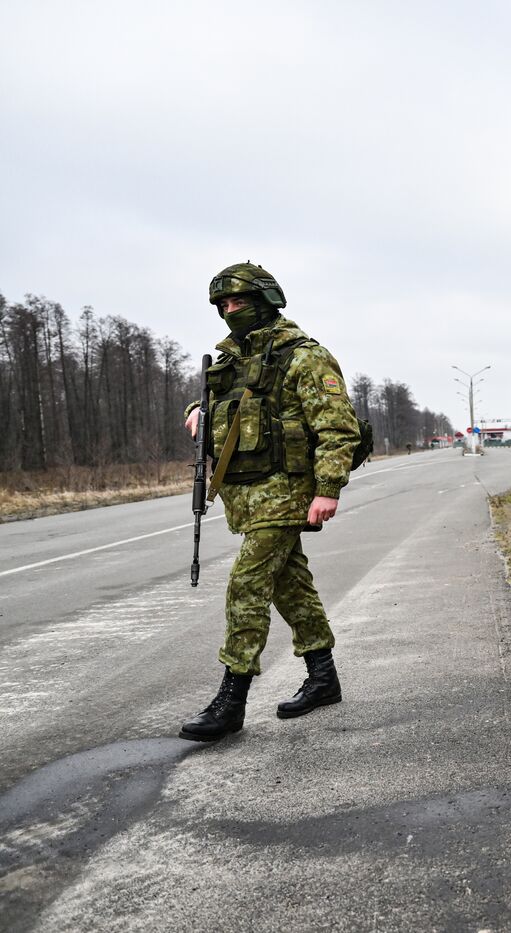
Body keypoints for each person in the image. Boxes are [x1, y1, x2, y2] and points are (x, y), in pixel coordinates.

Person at [179, 262, 361, 741]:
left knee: (247, 586)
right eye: (222, 305)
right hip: (248, 497)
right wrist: (197, 410)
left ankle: (231, 700)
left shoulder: (303, 356)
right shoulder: (231, 361)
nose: (228, 311)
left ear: (265, 300)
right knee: (290, 585)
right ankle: (323, 677)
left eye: (237, 302)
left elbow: (338, 428)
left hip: (286, 494)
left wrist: (328, 489)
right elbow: (217, 403)